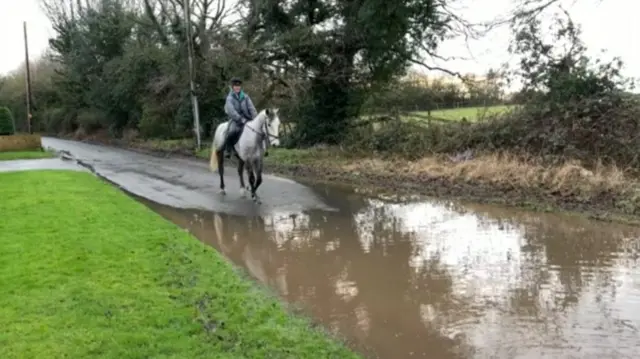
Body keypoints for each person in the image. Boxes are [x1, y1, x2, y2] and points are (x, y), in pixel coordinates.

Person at [220, 77, 258, 158]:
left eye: (238, 86)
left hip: (247, 119)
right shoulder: (229, 98)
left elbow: (252, 108)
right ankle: (228, 149)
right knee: (232, 131)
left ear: (240, 87)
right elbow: (231, 111)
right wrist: (240, 119)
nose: (237, 88)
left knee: (257, 131)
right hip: (236, 119)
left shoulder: (246, 97)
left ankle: (259, 149)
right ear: (233, 87)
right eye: (235, 86)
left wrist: (255, 118)